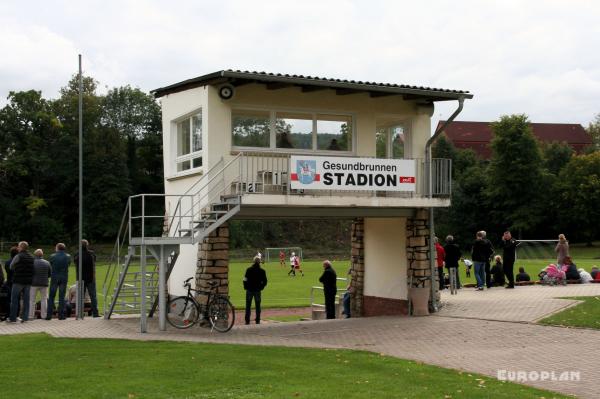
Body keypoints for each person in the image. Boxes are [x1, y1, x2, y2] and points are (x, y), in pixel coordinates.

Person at [8, 241, 34, 323]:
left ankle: (12, 318)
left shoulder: (18, 256)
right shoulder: (31, 256)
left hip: (18, 280)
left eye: (19, 246)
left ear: (21, 247)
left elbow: (11, 266)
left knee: (14, 299)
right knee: (26, 300)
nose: (18, 248)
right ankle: (25, 318)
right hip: (28, 281)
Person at [74, 239, 99, 317]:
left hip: (80, 278)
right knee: (93, 296)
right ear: (87, 245)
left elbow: (75, 262)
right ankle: (95, 313)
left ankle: (80, 314)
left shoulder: (77, 254)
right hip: (91, 278)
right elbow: (95, 260)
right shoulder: (92, 254)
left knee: (80, 297)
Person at [47, 243, 71, 320]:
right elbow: (68, 264)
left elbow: (50, 265)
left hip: (54, 277)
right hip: (64, 277)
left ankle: (49, 315)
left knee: (51, 297)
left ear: (57, 248)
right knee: (61, 297)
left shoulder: (52, 256)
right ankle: (61, 315)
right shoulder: (68, 256)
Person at [243, 256, 267, 325]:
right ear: (259, 262)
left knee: (248, 306)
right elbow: (265, 281)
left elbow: (244, 280)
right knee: (258, 306)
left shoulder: (248, 269)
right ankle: (257, 320)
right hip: (257, 290)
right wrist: (261, 287)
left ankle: (247, 321)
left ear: (253, 262)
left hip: (249, 290)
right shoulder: (262, 271)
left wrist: (246, 287)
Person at [29, 249, 51, 319]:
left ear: (35, 255)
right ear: (42, 255)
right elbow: (50, 274)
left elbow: (30, 273)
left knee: (32, 300)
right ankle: (44, 315)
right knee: (44, 300)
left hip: (33, 284)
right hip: (44, 283)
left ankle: (30, 316)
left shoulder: (32, 263)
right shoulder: (47, 263)